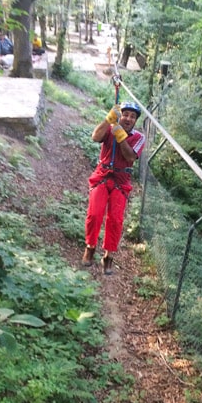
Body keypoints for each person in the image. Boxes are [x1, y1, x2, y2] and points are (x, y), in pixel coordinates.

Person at [82, 101, 146, 274]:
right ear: (119, 115)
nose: (128, 118)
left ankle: (108, 256)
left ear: (135, 121)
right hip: (103, 175)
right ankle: (90, 247)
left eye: (132, 117)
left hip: (121, 179)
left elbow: (130, 156)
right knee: (95, 213)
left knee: (115, 220)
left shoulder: (139, 138)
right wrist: (108, 121)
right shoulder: (110, 128)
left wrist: (122, 137)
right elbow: (95, 137)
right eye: (125, 114)